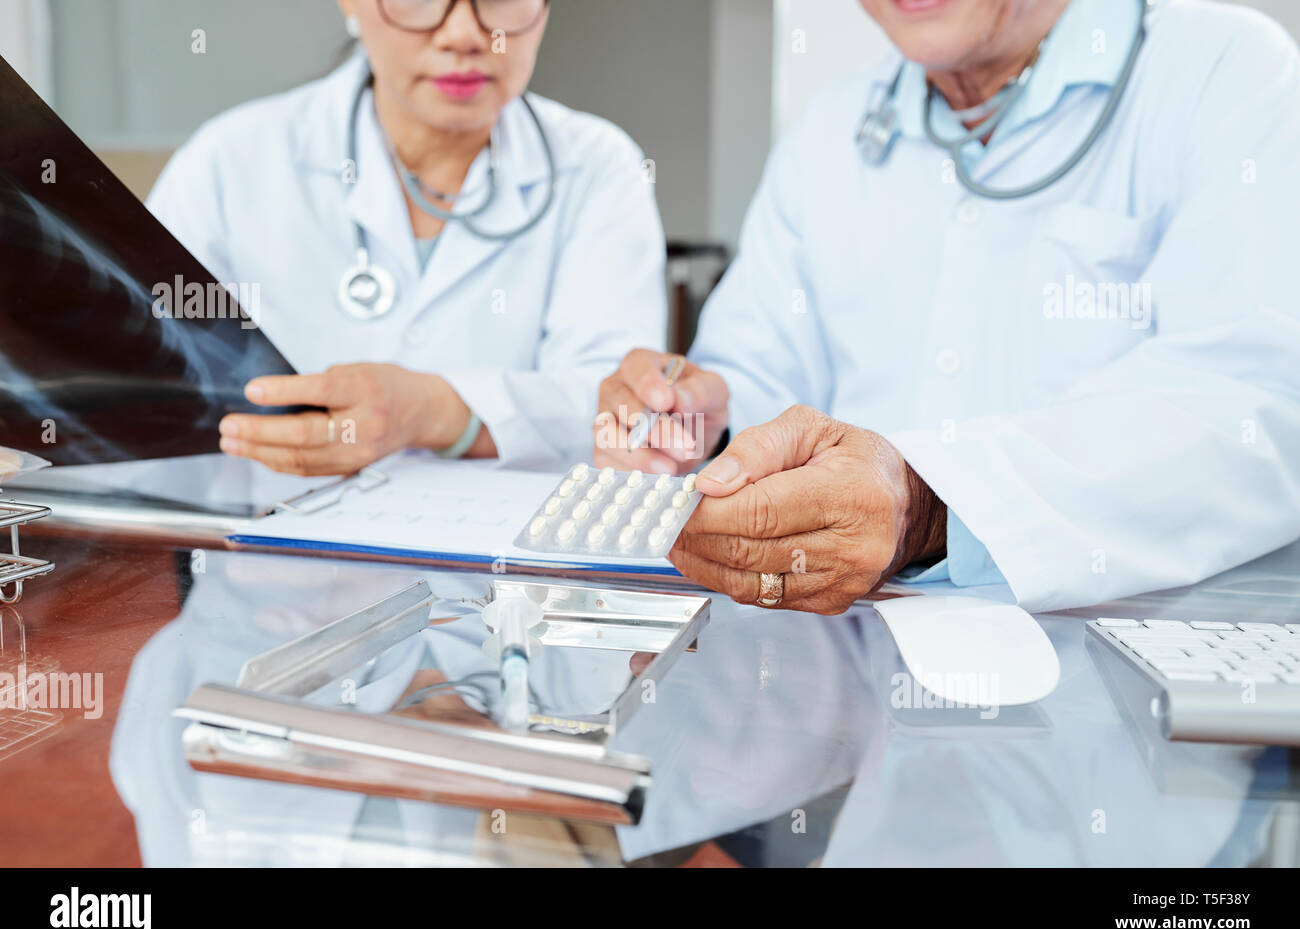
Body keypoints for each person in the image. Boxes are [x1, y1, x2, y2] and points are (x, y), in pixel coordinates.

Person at [593, 0, 1300, 614]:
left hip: (1138, 689)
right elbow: (762, 375)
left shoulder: (1227, 72)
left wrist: (931, 503)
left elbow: (1252, 407)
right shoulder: (831, 128)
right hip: (861, 679)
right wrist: (701, 424)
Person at [149, 0, 665, 474]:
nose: (463, 34)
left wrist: (433, 412)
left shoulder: (596, 164)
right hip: (269, 558)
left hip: (509, 559)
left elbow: (618, 407)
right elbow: (143, 386)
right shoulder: (229, 160)